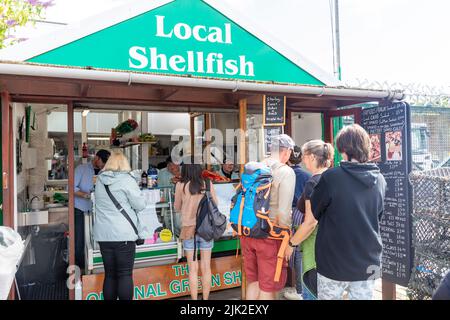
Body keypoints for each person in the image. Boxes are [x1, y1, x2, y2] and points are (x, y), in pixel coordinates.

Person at [310, 124, 387, 300]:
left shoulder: (331, 177)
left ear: (343, 148)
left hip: (333, 259)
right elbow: (378, 215)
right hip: (368, 259)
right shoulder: (380, 179)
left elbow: (315, 212)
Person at [241, 134, 296, 300]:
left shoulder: (253, 167)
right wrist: (288, 238)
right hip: (270, 235)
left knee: (254, 281)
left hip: (248, 231)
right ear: (286, 151)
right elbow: (283, 212)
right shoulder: (285, 171)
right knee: (268, 286)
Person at [284, 140, 334, 300]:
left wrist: (291, 244)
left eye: (305, 156)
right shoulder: (335, 178)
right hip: (333, 248)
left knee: (312, 292)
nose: (303, 160)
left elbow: (310, 222)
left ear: (312, 157)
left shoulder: (313, 182)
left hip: (314, 249)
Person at [93, 151, 146, 300]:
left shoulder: (100, 181)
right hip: (123, 235)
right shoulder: (127, 181)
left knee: (109, 274)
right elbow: (140, 205)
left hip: (104, 235)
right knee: (124, 274)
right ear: (124, 164)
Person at [174, 162, 218, 300]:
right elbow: (215, 204)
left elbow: (176, 207)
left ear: (185, 168)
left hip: (188, 230)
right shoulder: (207, 183)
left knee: (192, 269)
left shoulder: (181, 185)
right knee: (206, 267)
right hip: (206, 230)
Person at [74, 149, 110, 270]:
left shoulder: (104, 172)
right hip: (80, 209)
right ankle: (79, 268)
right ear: (97, 158)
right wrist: (86, 195)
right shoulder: (81, 169)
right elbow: (72, 188)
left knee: (94, 238)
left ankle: (94, 266)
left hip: (97, 211)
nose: (103, 166)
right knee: (80, 240)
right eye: (103, 163)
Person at [283, 145, 311, 300]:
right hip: (305, 214)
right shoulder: (307, 175)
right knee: (300, 251)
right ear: (301, 158)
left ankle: (299, 289)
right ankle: (301, 289)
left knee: (294, 251)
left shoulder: (285, 174)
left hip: (289, 214)